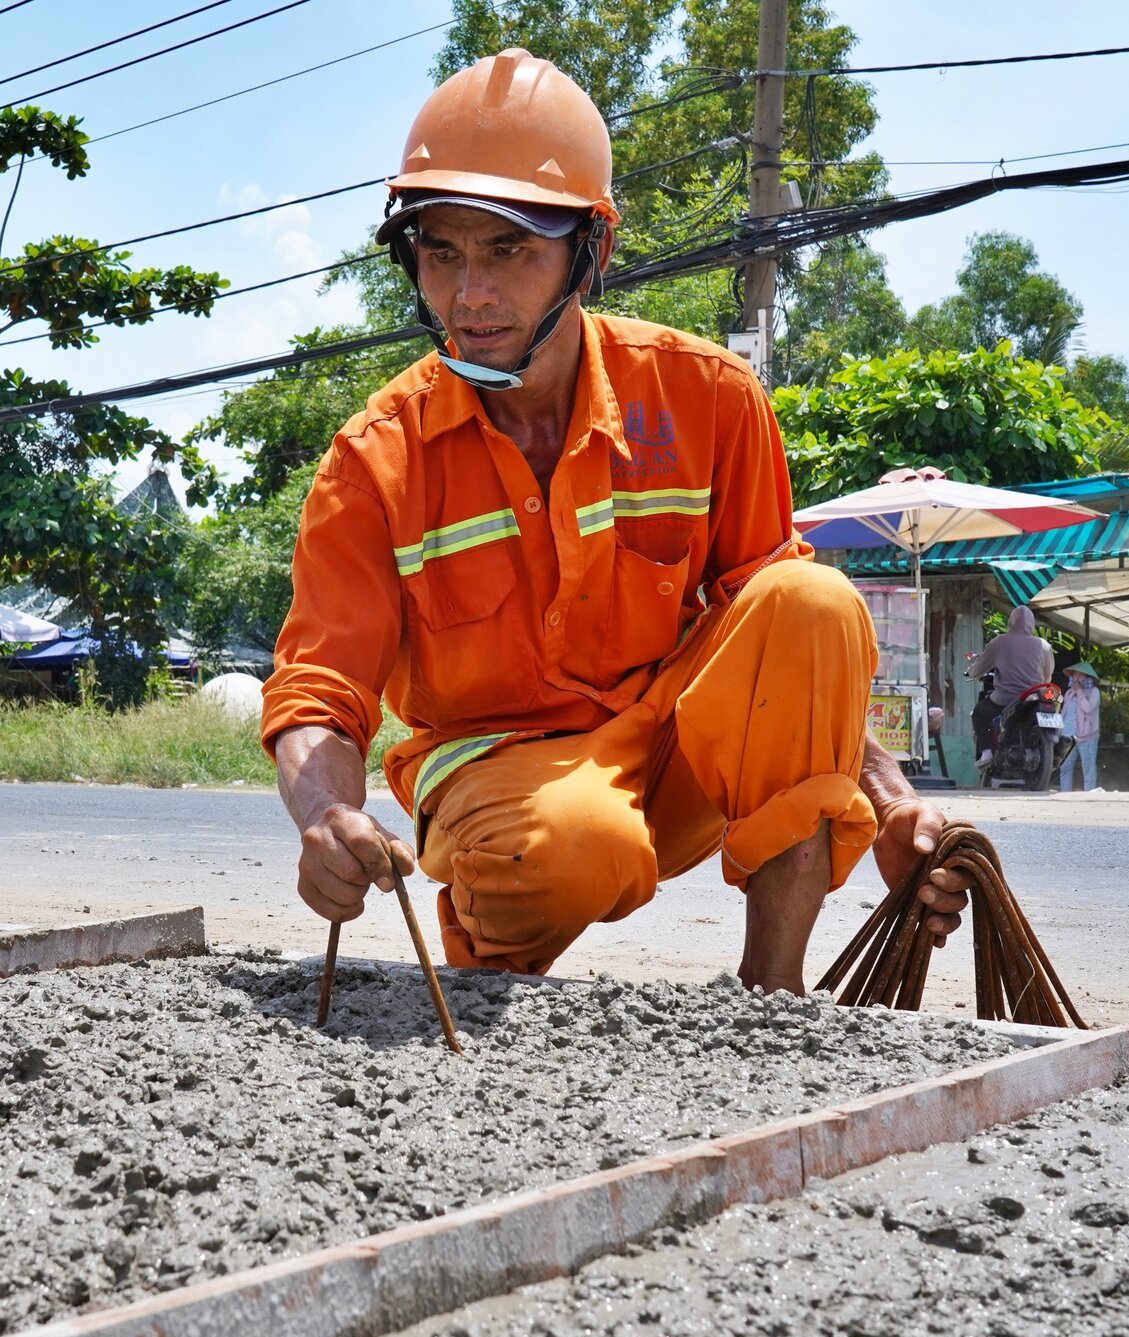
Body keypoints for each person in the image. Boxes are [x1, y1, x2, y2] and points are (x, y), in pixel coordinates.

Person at [259, 50, 973, 994]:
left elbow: (793, 651)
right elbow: (318, 690)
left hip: (680, 755)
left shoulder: (708, 400)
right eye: (442, 252)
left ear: (591, 251)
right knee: (571, 847)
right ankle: (491, 976)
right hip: (502, 782)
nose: (469, 294)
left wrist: (892, 801)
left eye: (506, 249)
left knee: (811, 595)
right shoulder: (373, 464)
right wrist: (322, 815)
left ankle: (772, 995)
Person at [967, 605, 1054, 766]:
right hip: (1035, 696)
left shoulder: (1000, 641)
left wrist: (971, 671)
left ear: (1011, 623)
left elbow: (978, 669)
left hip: (1005, 698)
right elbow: (1048, 676)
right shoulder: (1044, 645)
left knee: (979, 713)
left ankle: (987, 752)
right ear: (1032, 624)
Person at [1059, 662, 1101, 792]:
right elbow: (1064, 712)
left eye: (1080, 674)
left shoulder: (1094, 691)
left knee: (1088, 767)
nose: (1076, 677)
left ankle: (1089, 793)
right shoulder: (1069, 692)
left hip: (1087, 736)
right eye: (1074, 674)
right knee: (1065, 767)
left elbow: (1088, 708)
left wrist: (1080, 692)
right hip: (1068, 736)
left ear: (1088, 676)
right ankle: (1065, 794)